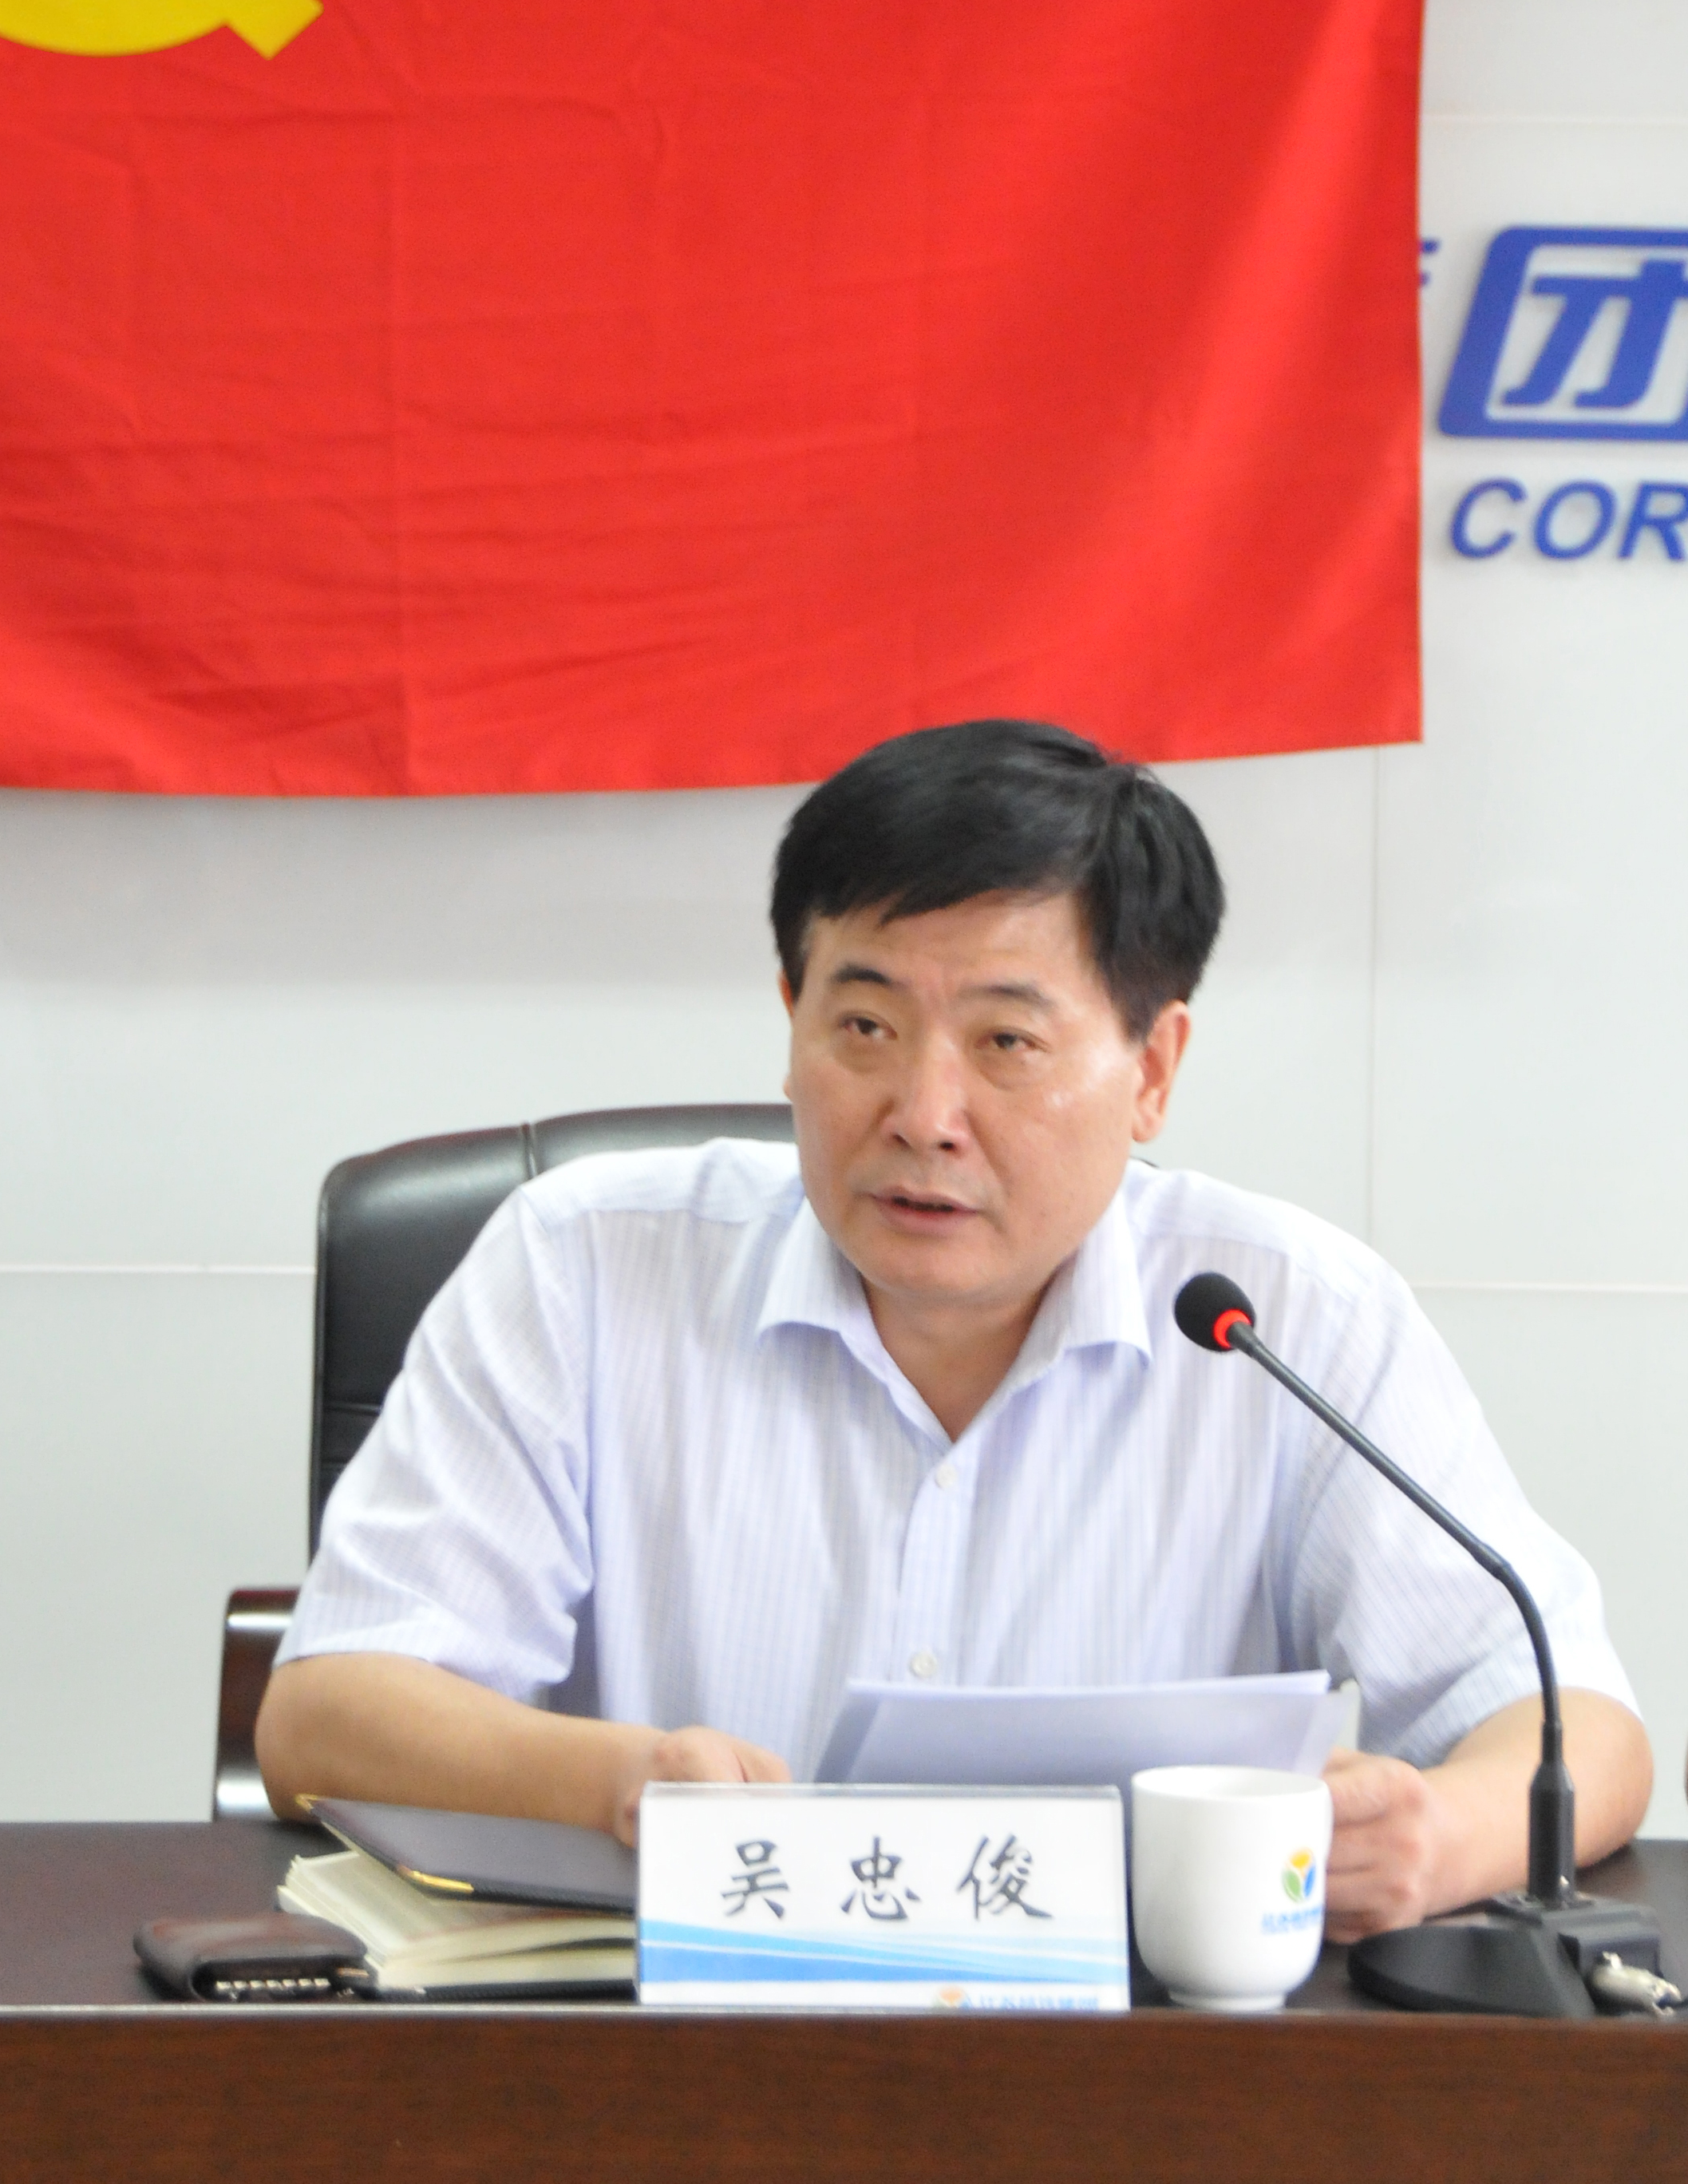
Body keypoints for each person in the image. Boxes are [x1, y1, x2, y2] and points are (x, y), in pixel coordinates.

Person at [256, 719, 1650, 1939]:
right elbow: (325, 1717)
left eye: (1006, 1044)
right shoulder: (581, 1268)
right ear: (791, 1018)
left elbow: (1574, 1722)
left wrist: (1438, 1839)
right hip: (678, 2054)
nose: (925, 1114)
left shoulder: (1287, 1319)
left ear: (1153, 1069)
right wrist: (620, 1782)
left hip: (1147, 2087)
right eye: (865, 1027)